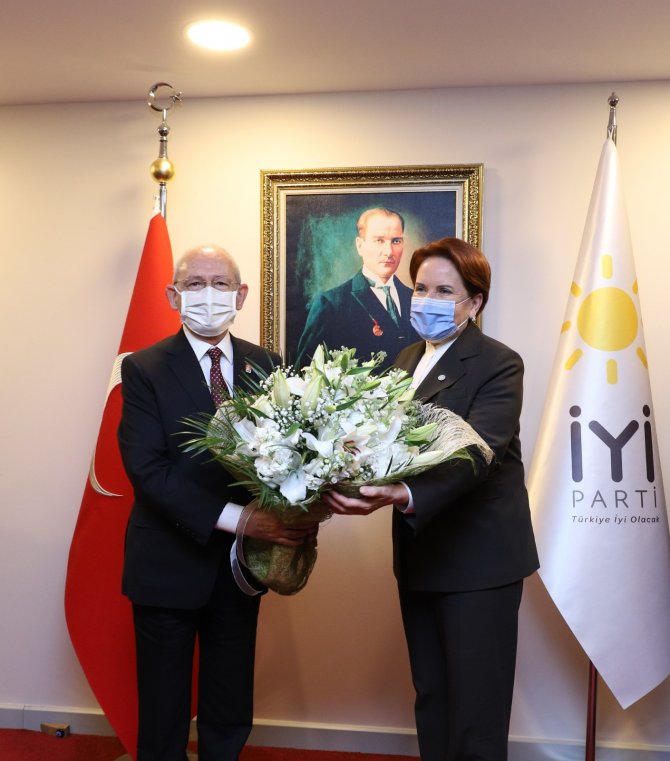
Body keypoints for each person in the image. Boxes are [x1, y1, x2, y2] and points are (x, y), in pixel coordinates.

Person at [323, 237, 539, 761]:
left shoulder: (499, 363)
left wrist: (402, 492)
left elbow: (477, 454)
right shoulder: (407, 358)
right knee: (434, 699)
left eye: (444, 291)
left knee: (476, 714)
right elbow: (387, 443)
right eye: (420, 288)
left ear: (475, 302)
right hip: (421, 555)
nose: (426, 300)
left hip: (479, 561)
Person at [118, 244, 318, 761]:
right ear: (173, 296)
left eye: (221, 283)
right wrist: (243, 519)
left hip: (239, 568)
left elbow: (290, 453)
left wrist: (305, 504)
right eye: (195, 283)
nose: (208, 294)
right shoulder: (143, 368)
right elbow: (148, 470)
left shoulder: (267, 365)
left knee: (229, 701)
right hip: (167, 562)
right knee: (163, 706)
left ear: (241, 295)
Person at [295, 207, 419, 369]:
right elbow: (305, 373)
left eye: (396, 241)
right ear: (360, 245)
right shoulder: (331, 304)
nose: (389, 252)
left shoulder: (416, 299)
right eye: (379, 240)